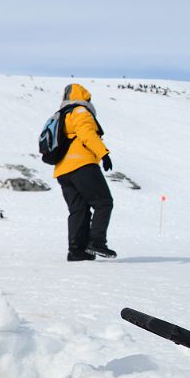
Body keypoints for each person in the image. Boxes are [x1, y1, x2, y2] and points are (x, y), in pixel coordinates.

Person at [52, 82, 116, 260]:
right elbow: (87, 133)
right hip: (81, 164)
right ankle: (97, 242)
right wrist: (103, 153)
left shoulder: (62, 115)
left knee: (79, 210)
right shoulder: (80, 111)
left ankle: (77, 251)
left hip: (63, 170)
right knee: (104, 202)